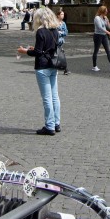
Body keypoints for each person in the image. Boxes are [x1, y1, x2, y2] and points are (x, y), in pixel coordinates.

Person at [17, 7, 62, 135]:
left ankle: (49, 126)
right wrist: (35, 48)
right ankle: (56, 123)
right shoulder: (55, 31)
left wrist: (24, 51)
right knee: (55, 96)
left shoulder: (41, 32)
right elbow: (48, 48)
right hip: (53, 65)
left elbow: (37, 52)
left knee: (47, 98)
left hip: (42, 66)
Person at [91, 5, 110, 72]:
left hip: (104, 36)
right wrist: (109, 33)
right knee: (96, 51)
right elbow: (100, 28)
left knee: (108, 51)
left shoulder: (104, 18)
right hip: (98, 36)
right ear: (102, 11)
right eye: (106, 11)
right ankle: (94, 66)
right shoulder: (97, 18)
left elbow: (108, 26)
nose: (107, 12)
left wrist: (107, 20)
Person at [57, 9, 70, 75]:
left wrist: (61, 33)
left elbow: (66, 32)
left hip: (61, 41)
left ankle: (65, 69)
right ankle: (65, 69)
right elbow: (55, 32)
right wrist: (60, 33)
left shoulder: (63, 23)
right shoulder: (55, 23)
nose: (63, 16)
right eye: (61, 14)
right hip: (55, 41)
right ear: (58, 15)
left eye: (63, 14)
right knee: (61, 55)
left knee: (60, 55)